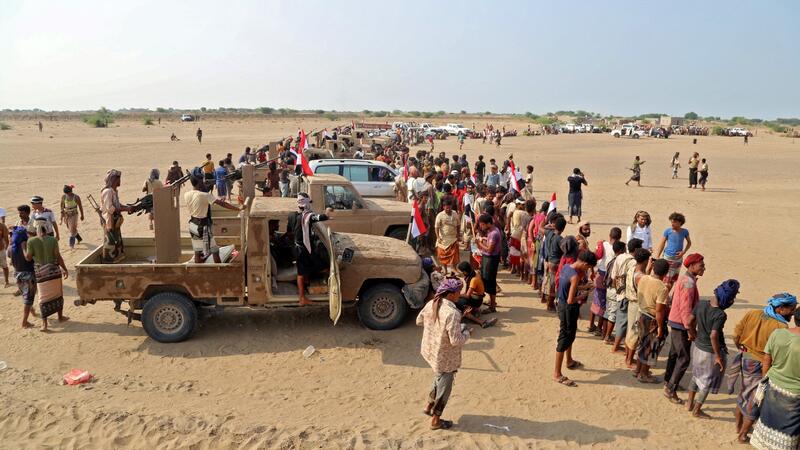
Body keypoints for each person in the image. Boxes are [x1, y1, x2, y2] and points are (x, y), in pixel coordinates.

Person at [731, 293, 797, 443]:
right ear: (780, 308)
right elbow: (775, 354)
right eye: (791, 309)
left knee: (744, 392)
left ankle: (738, 426)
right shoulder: (781, 327)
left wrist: (742, 348)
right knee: (756, 399)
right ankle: (743, 434)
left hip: (745, 358)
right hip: (760, 364)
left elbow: (736, 335)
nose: (793, 313)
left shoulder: (753, 313)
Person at [417, 279, 471, 430]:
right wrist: (467, 333)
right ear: (451, 294)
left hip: (431, 351)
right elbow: (456, 341)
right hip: (445, 357)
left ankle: (428, 406)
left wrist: (435, 329)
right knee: (444, 388)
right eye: (458, 292)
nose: (460, 294)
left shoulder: (431, 303)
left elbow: (419, 321)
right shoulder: (452, 313)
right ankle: (436, 420)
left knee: (438, 378)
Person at [685, 279, 740, 418]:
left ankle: (689, 403)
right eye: (732, 298)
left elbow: (689, 322)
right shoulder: (720, 314)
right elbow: (714, 335)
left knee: (696, 376)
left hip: (697, 347)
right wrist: (718, 356)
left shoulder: (701, 304)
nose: (732, 301)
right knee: (706, 382)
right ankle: (697, 410)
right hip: (709, 353)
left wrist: (692, 334)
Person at [750, 305, 800, 450]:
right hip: (794, 395)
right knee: (788, 437)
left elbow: (767, 360)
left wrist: (764, 382)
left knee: (768, 424)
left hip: (773, 386)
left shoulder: (778, 333)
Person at [664, 253, 705, 405]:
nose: (703, 268)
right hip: (681, 323)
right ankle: (671, 388)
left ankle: (668, 382)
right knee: (684, 358)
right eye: (701, 265)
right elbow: (685, 308)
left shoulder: (685, 279)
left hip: (676, 321)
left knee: (675, 354)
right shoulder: (689, 283)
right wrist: (689, 329)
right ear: (692, 266)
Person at [553, 250, 597, 387]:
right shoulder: (575, 276)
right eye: (588, 267)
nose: (587, 270)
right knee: (564, 338)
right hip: (568, 308)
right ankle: (557, 374)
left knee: (570, 335)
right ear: (585, 264)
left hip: (561, 305)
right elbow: (571, 299)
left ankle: (569, 360)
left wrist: (584, 287)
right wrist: (584, 294)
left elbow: (569, 286)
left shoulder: (567, 267)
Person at [184, 168, 240, 264]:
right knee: (215, 251)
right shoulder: (205, 195)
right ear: (199, 181)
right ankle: (218, 269)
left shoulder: (186, 194)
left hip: (193, 224)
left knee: (197, 251)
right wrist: (238, 209)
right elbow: (222, 203)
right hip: (203, 225)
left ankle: (197, 270)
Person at [24, 225, 69, 332]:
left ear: (36, 231)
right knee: (58, 293)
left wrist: (23, 249)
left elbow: (28, 258)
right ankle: (60, 317)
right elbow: (57, 256)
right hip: (54, 270)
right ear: (46, 230)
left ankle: (45, 324)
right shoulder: (52, 240)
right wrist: (65, 269)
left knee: (43, 297)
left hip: (41, 273)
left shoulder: (31, 241)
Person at [289, 193, 331, 306]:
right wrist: (327, 212)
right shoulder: (308, 216)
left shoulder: (292, 216)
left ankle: (307, 285)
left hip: (297, 248)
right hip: (303, 250)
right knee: (322, 268)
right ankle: (302, 298)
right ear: (307, 204)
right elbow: (320, 217)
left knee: (304, 271)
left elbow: (289, 232)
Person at [633, 258, 670, 383]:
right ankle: (643, 374)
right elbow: (659, 311)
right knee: (651, 347)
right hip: (652, 319)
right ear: (666, 273)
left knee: (642, 344)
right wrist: (660, 327)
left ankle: (638, 370)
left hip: (641, 315)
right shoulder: (662, 288)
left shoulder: (643, 278)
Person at [610, 238, 642, 354]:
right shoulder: (633, 262)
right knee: (624, 322)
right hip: (626, 295)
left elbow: (613, 276)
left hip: (619, 292)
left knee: (621, 320)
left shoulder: (620, 257)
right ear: (637, 249)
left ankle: (618, 346)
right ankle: (616, 347)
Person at [589, 227, 622, 336]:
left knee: (596, 300)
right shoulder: (619, 249)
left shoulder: (603, 244)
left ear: (609, 235)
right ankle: (599, 328)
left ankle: (591, 325)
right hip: (608, 277)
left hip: (599, 275)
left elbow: (596, 256)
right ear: (620, 237)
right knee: (605, 305)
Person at [624, 248, 652, 368]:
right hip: (637, 305)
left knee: (630, 331)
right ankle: (629, 360)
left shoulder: (632, 268)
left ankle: (627, 357)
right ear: (645, 260)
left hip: (631, 303)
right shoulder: (641, 277)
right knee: (635, 334)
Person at [100, 170, 132, 263]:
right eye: (119, 179)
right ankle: (108, 261)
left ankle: (117, 258)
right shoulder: (108, 191)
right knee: (110, 240)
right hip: (109, 220)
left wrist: (127, 208)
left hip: (115, 220)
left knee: (117, 239)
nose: (120, 181)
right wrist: (125, 209)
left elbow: (117, 205)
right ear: (114, 180)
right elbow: (110, 208)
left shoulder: (114, 191)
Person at [8, 226, 37, 328]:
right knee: (29, 298)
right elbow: (29, 258)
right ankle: (25, 322)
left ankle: (31, 310)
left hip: (17, 275)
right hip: (28, 275)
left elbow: (10, 259)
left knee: (26, 296)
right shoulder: (27, 247)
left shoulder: (11, 247)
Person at [654, 212, 691, 288]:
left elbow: (689, 243)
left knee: (672, 279)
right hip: (667, 258)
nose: (672, 224)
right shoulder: (668, 231)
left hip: (677, 260)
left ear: (680, 222)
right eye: (671, 222)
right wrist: (657, 256)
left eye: (674, 222)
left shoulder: (685, 232)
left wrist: (683, 252)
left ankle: (667, 294)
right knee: (664, 278)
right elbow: (662, 243)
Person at [456, 261, 497, 328]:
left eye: (460, 271)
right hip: (477, 298)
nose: (459, 273)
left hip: (476, 300)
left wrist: (456, 295)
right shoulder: (474, 273)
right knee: (458, 301)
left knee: (457, 302)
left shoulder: (473, 280)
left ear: (464, 272)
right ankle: (474, 312)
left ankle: (481, 321)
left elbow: (467, 296)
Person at [602, 240, 627, 344]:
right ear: (621, 250)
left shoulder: (611, 261)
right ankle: (607, 337)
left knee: (608, 312)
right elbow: (616, 279)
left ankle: (604, 334)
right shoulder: (619, 262)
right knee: (612, 314)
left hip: (609, 289)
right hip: (614, 290)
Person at [476, 214, 501, 313]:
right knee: (487, 280)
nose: (481, 227)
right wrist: (484, 240)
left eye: (482, 225)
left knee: (490, 281)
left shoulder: (494, 233)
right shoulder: (491, 231)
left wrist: (479, 243)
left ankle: (492, 306)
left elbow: (490, 249)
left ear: (488, 223)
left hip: (490, 259)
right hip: (488, 258)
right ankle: (491, 301)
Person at [434, 197, 460, 273]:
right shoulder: (440, 215)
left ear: (451, 206)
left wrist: (458, 234)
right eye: (446, 208)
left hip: (453, 238)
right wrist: (438, 237)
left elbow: (458, 224)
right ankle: (445, 270)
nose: (448, 209)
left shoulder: (455, 213)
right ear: (443, 207)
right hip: (443, 239)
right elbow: (436, 227)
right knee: (442, 255)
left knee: (454, 255)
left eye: (449, 207)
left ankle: (454, 268)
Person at [0, 208, 8, 287]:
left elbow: (6, 238)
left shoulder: (2, 226)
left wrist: (7, 247)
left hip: (1, 250)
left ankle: (6, 281)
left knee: (4, 266)